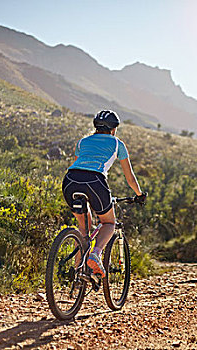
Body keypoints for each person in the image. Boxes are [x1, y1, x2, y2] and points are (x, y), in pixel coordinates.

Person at [62, 110, 146, 278]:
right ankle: (96, 254)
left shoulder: (83, 141)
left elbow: (80, 163)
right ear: (114, 129)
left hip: (70, 180)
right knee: (109, 223)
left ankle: (78, 272)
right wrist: (139, 194)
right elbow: (130, 178)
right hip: (95, 182)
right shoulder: (117, 144)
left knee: (84, 228)